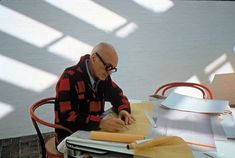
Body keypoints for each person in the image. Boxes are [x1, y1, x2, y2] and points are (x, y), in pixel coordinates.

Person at [54, 42, 135, 146]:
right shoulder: (69, 77)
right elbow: (67, 118)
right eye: (108, 66)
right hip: (69, 137)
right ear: (94, 58)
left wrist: (123, 109)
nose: (109, 73)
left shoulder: (102, 77)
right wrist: (100, 122)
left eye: (113, 69)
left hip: (94, 132)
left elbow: (118, 95)